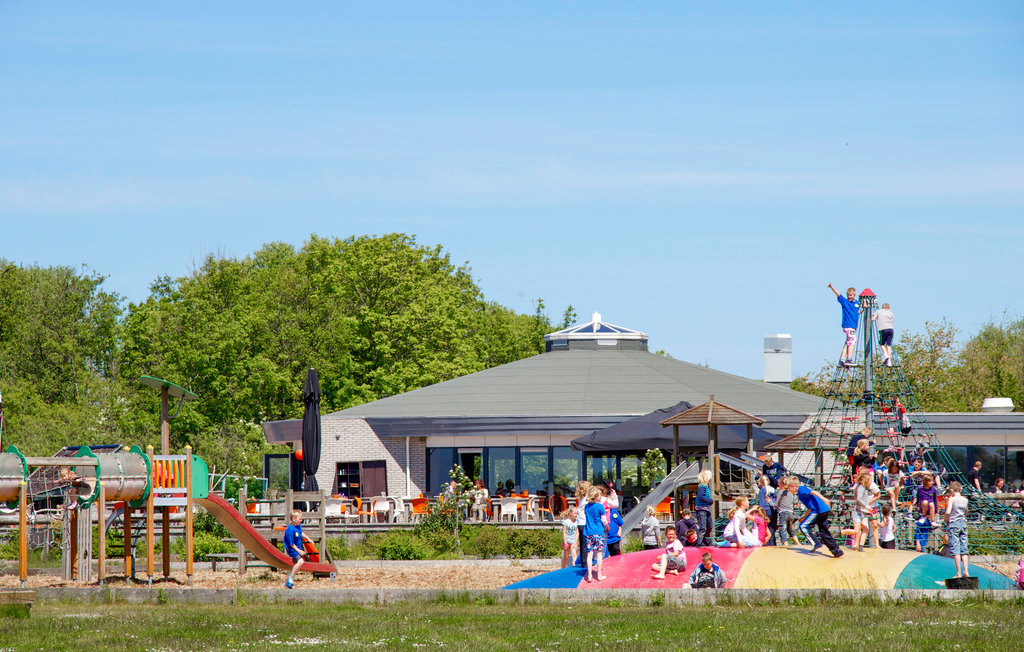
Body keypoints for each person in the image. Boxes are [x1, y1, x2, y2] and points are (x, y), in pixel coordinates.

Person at [791, 481, 844, 558]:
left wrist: (824, 499)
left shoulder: (801, 489)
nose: (789, 490)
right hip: (823, 509)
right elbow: (809, 508)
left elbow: (813, 492)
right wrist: (803, 518)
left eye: (789, 488)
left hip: (817, 510)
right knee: (824, 531)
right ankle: (836, 550)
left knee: (803, 526)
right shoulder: (800, 493)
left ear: (793, 486)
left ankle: (816, 543)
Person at [827, 283, 862, 367]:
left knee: (848, 343)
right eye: (848, 295)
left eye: (851, 295)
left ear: (854, 295)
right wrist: (831, 287)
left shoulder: (857, 303)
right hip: (848, 326)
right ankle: (849, 359)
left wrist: (863, 308)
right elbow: (838, 294)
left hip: (852, 326)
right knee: (852, 342)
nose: (849, 297)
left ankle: (842, 360)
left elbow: (858, 312)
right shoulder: (845, 302)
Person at [945, 481, 970, 578]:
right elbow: (966, 512)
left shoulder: (952, 499)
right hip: (963, 524)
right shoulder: (965, 500)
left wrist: (946, 519)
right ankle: (966, 571)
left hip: (954, 524)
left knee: (956, 550)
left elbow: (948, 512)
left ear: (951, 490)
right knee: (964, 549)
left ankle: (959, 573)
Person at [582, 486, 607, 582]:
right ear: (596, 496)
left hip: (588, 532)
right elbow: (603, 520)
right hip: (599, 531)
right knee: (599, 553)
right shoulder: (600, 506)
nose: (601, 497)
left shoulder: (586, 507)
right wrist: (606, 526)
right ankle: (599, 575)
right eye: (599, 495)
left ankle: (589, 575)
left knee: (589, 554)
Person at [853, 470, 880, 551]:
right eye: (869, 479)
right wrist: (866, 506)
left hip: (868, 509)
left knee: (870, 527)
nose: (871, 481)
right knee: (858, 529)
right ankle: (857, 544)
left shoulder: (870, 486)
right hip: (861, 509)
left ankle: (865, 545)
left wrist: (868, 505)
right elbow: (858, 498)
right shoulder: (859, 486)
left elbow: (878, 495)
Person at [283, 510, 306, 589]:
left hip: (297, 548)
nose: (301, 520)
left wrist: (308, 539)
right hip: (292, 549)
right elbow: (291, 544)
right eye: (300, 519)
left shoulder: (298, 526)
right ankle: (290, 579)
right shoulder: (290, 529)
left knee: (300, 562)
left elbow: (301, 533)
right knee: (300, 561)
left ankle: (290, 581)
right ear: (294, 519)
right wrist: (299, 551)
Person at [775, 476, 799, 545]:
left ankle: (785, 544)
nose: (778, 485)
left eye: (779, 484)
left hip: (783, 512)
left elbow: (776, 504)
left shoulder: (781, 492)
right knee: (790, 529)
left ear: (781, 484)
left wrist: (770, 502)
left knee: (782, 529)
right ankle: (797, 543)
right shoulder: (790, 492)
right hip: (790, 512)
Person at [694, 469, 715, 546]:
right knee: (703, 527)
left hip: (706, 508)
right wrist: (710, 500)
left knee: (709, 526)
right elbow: (701, 496)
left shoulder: (706, 486)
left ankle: (705, 539)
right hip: (701, 509)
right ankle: (699, 543)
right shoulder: (702, 486)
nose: (711, 479)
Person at [871, 302, 895, 366]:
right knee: (888, 345)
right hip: (891, 329)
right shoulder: (891, 313)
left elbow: (873, 319)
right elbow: (892, 321)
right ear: (888, 308)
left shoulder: (878, 311)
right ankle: (889, 361)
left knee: (881, 343)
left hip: (883, 329)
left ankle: (885, 354)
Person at [573, 481, 591, 566]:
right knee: (585, 543)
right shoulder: (586, 498)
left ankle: (584, 560)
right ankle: (585, 561)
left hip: (580, 522)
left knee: (583, 543)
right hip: (584, 522)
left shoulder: (581, 498)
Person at [756, 475, 777, 545]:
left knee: (765, 528)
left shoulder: (762, 490)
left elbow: (762, 502)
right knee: (772, 528)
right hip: (773, 510)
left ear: (761, 482)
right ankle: (772, 544)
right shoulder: (773, 489)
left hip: (765, 510)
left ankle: (766, 544)